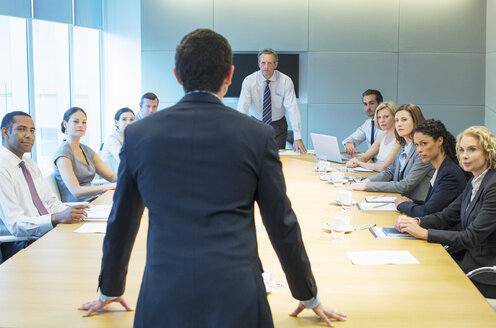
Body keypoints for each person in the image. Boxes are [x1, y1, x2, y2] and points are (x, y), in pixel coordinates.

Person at [79, 29, 346, 327]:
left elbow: (122, 222)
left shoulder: (139, 135)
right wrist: (308, 294)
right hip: (238, 294)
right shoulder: (257, 136)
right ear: (230, 75)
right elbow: (282, 224)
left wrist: (109, 289)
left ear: (177, 75)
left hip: (163, 294)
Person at [395, 126, 496, 298]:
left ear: (488, 153)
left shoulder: (492, 186)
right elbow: (447, 215)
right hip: (469, 261)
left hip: (485, 274)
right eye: (462, 150)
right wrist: (416, 222)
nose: (464, 155)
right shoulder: (475, 180)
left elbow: (470, 237)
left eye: (472, 150)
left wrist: (425, 233)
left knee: (425, 286)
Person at [0, 111, 88, 261]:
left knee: (87, 245)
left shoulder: (28, 163)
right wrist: (56, 218)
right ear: (5, 133)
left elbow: (50, 202)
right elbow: (15, 225)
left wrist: (73, 213)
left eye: (32, 130)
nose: (29, 135)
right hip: (21, 243)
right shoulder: (2, 168)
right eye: (22, 129)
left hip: (45, 234)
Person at [348, 104, 434, 202]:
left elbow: (405, 185)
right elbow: (390, 172)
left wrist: (367, 186)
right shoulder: (403, 145)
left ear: (415, 122)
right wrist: (366, 180)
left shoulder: (423, 150)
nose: (399, 124)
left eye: (404, 120)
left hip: (416, 205)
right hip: (399, 199)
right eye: (397, 120)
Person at [237, 48, 307, 153]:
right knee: (256, 157)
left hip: (278, 126)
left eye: (270, 63)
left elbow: (292, 108)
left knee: (277, 159)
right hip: (256, 124)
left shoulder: (285, 81)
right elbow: (242, 108)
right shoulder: (249, 81)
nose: (266, 67)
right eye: (263, 63)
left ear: (275, 64)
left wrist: (298, 137)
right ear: (259, 64)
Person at [395, 119, 467, 217]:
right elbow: (432, 205)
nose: (419, 150)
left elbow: (427, 212)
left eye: (424, 144)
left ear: (439, 141)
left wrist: (402, 205)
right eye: (416, 145)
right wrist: (412, 201)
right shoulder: (441, 168)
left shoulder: (450, 173)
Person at [54, 107, 117, 202]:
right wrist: (109, 186)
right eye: (76, 122)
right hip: (77, 208)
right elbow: (76, 191)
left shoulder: (87, 150)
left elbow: (112, 176)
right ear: (65, 124)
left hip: (93, 200)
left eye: (84, 122)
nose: (81, 125)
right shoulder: (63, 154)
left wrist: (133, 178)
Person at [346, 101, 400, 172]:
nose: (382, 120)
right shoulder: (382, 136)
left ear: (395, 117)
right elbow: (365, 157)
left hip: (387, 179)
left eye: (386, 117)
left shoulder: (399, 139)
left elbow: (383, 167)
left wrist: (359, 163)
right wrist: (354, 161)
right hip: (376, 175)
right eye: (379, 117)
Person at [342, 89, 384, 155]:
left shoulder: (388, 124)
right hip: (370, 162)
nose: (368, 108)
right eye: (365, 104)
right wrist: (348, 143)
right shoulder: (368, 124)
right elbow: (353, 138)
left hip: (384, 163)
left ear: (380, 104)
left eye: (371, 103)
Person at [100, 108, 135, 172]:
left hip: (123, 175)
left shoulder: (131, 137)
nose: (128, 123)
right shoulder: (112, 139)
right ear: (116, 122)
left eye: (131, 119)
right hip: (108, 179)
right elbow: (123, 160)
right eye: (124, 119)